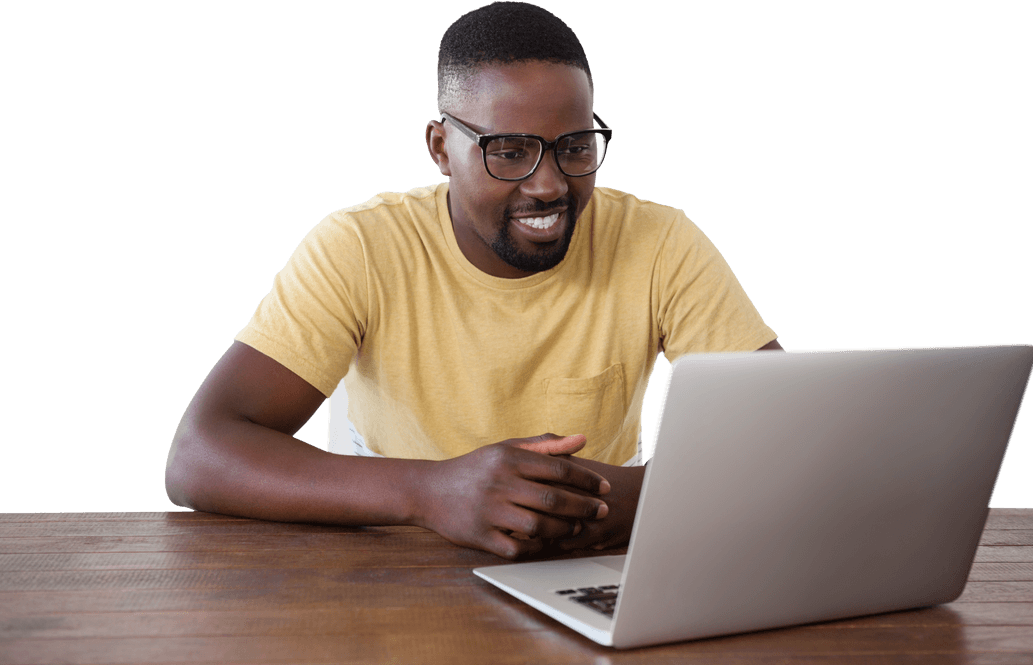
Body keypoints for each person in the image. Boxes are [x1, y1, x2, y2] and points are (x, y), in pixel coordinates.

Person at [164, 1, 781, 560]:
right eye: (509, 151)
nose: (549, 185)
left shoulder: (660, 243)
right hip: (398, 568)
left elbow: (786, 442)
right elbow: (199, 456)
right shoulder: (361, 247)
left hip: (587, 561)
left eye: (574, 147)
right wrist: (431, 491)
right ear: (440, 148)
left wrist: (622, 501)